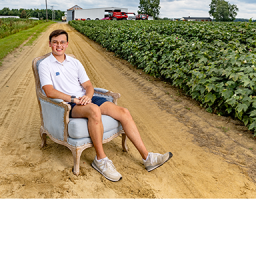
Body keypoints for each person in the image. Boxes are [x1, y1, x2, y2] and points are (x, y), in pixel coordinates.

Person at [38, 28, 172, 180]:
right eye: (55, 42)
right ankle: (100, 159)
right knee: (94, 111)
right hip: (69, 104)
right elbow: (49, 91)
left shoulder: (74, 62)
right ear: (50, 44)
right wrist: (74, 99)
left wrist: (88, 97)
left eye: (62, 42)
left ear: (67, 44)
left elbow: (88, 85)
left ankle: (147, 158)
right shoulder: (45, 64)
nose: (59, 45)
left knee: (124, 112)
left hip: (85, 99)